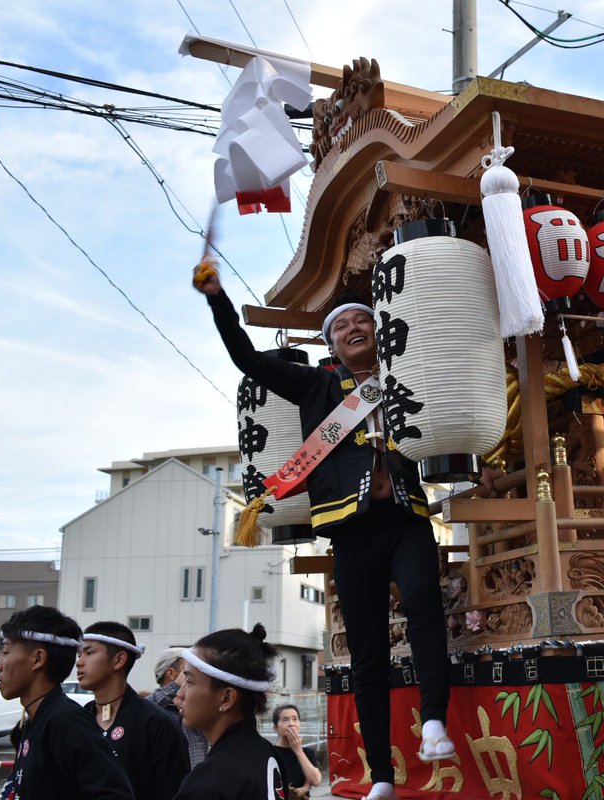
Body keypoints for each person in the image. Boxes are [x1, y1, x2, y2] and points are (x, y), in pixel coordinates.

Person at [197, 268, 455, 800]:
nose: (355, 328)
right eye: (343, 326)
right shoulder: (316, 385)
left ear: (380, 330)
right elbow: (247, 359)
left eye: (365, 320)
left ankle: (434, 722)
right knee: (367, 650)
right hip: (350, 530)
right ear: (331, 341)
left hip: (406, 518)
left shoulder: (405, 375)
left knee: (426, 607)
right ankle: (381, 773)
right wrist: (219, 301)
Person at [0, 605, 134, 799]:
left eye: (6, 652)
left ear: (38, 659)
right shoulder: (37, 717)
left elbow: (115, 794)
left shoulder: (66, 722)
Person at [75, 622, 190, 799]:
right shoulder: (79, 720)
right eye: (79, 654)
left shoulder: (155, 723)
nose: (79, 662)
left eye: (89, 653)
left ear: (119, 660)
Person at [173, 624, 288, 799]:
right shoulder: (267, 753)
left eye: (189, 682)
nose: (179, 694)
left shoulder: (209, 782)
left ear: (226, 698)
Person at [146, 646, 208, 769]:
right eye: (186, 669)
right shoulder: (153, 706)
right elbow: (145, 708)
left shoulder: (197, 704)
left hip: (197, 779)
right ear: (171, 673)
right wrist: (176, 686)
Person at [272, 704, 321, 795]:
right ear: (276, 728)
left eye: (295, 719)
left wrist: (298, 751)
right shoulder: (271, 753)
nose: (291, 724)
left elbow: (316, 780)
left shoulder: (307, 753)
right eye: (285, 720)